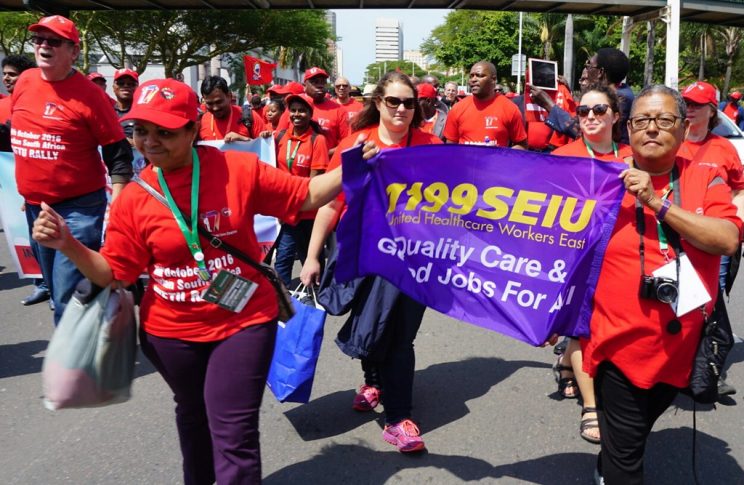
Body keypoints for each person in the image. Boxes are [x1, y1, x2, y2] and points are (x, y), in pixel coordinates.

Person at [32, 78, 343, 484]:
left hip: (243, 321)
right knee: (193, 416)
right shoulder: (133, 197)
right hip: (170, 333)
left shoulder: (237, 168)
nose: (151, 142)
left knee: (233, 431)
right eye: (141, 131)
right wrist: (68, 244)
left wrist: (350, 169)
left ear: (193, 129)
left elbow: (303, 196)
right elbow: (116, 274)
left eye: (166, 132)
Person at [582, 85, 741, 484]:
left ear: (684, 128)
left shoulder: (705, 176)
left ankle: (608, 460)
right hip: (617, 345)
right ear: (628, 128)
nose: (652, 129)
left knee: (631, 434)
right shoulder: (599, 177)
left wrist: (657, 202)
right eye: (642, 121)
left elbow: (726, 239)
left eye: (664, 120)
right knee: (627, 457)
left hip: (680, 349)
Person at [301, 71, 442, 453]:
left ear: (417, 107)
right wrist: (312, 256)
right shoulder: (354, 144)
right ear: (378, 103)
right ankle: (373, 380)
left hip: (413, 263)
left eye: (408, 103)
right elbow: (330, 204)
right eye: (393, 101)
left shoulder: (431, 145)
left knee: (400, 336)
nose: (401, 109)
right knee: (370, 326)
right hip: (362, 257)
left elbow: (450, 205)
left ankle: (398, 419)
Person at [10, 15, 133, 324]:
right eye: (39, 40)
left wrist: (118, 199)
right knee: (56, 289)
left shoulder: (91, 96)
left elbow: (118, 152)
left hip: (78, 207)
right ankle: (94, 335)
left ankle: (72, 365)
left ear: (74, 51)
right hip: (36, 207)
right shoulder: (25, 81)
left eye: (53, 41)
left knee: (67, 294)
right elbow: (24, 131)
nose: (43, 46)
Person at [551, 85, 633, 445]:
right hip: (576, 258)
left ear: (616, 116)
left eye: (599, 110)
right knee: (583, 327)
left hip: (620, 260)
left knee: (600, 328)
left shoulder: (633, 156)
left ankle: (568, 364)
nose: (590, 118)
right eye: (583, 112)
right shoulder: (562, 156)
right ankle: (591, 406)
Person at [680, 80, 744, 398]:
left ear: (711, 110)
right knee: (674, 301)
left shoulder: (723, 148)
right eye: (686, 103)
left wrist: (736, 226)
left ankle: (704, 371)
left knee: (707, 301)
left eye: (696, 104)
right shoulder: (669, 141)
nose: (688, 109)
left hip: (711, 243)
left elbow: (739, 188)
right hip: (672, 238)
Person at [0, 54, 50, 306]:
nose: (6, 78)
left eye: (12, 74)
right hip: (10, 183)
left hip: (43, 186)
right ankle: (40, 284)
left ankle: (57, 286)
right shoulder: (2, 105)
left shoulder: (42, 103)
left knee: (49, 239)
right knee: (28, 239)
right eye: (5, 74)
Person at [273, 94, 329, 285]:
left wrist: (297, 201)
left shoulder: (317, 140)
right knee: (282, 260)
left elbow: (316, 180)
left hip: (308, 212)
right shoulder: (280, 137)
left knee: (310, 259)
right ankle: (286, 303)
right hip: (287, 210)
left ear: (310, 114)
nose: (297, 114)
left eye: (302, 110)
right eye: (293, 110)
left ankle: (315, 300)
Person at [442, 61, 527, 148]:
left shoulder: (510, 108)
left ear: (493, 80)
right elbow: (451, 146)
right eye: (471, 76)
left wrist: (504, 159)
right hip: (466, 161)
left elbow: (521, 144)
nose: (473, 79)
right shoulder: (457, 108)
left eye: (480, 76)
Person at [276, 68, 349, 153]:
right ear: (304, 86)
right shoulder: (293, 109)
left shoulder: (339, 110)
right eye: (315, 82)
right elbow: (279, 137)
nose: (320, 85)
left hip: (328, 164)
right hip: (293, 162)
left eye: (323, 82)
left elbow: (346, 143)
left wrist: (322, 154)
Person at [199, 75, 265, 142]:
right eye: (209, 103)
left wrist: (244, 140)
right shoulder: (202, 121)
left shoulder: (250, 116)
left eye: (219, 102)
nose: (215, 108)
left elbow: (266, 148)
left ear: (229, 96)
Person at [112, 68, 139, 141]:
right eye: (121, 83)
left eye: (131, 84)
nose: (126, 86)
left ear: (137, 88)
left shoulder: (142, 112)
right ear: (114, 87)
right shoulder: (106, 111)